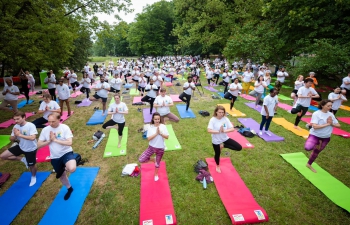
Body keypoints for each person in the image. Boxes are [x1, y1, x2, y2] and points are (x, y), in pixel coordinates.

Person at [37, 113, 76, 200]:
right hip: (55, 156)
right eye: (49, 121)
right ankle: (69, 188)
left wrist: (55, 140)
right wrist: (49, 141)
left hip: (66, 152)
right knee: (62, 175)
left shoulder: (64, 127)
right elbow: (38, 144)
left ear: (59, 119)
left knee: (72, 169)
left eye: (53, 121)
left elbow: (70, 142)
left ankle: (74, 159)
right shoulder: (45, 130)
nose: (50, 123)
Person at [0, 111, 38, 186]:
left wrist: (19, 135)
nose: (16, 121)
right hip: (21, 146)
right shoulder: (15, 127)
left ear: (24, 117)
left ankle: (33, 176)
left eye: (18, 119)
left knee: (32, 165)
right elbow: (11, 139)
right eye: (14, 119)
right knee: (2, 156)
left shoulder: (30, 125)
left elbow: (33, 138)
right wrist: (14, 136)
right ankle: (22, 159)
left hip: (31, 149)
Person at [304, 100, 340, 173]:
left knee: (316, 152)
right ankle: (316, 142)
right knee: (307, 148)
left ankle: (309, 164)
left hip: (326, 137)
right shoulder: (316, 114)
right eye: (328, 106)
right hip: (315, 135)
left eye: (331, 106)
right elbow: (315, 126)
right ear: (323, 105)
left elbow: (339, 125)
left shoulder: (331, 114)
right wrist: (327, 124)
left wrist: (331, 124)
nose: (330, 107)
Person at [207, 106, 242, 173]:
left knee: (239, 147)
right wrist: (218, 131)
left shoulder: (225, 119)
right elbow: (209, 130)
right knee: (217, 154)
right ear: (216, 112)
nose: (221, 114)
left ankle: (223, 146)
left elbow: (232, 128)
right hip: (216, 140)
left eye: (222, 112)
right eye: (219, 112)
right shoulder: (213, 120)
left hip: (225, 138)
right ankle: (217, 165)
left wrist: (224, 131)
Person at [138, 112, 169, 181]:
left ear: (160, 119)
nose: (157, 121)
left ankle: (156, 174)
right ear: (153, 119)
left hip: (160, 148)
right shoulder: (150, 127)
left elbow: (167, 137)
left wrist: (161, 133)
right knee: (141, 159)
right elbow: (148, 138)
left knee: (157, 164)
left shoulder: (163, 126)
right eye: (155, 119)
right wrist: (156, 133)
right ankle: (153, 159)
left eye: (158, 119)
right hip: (151, 147)